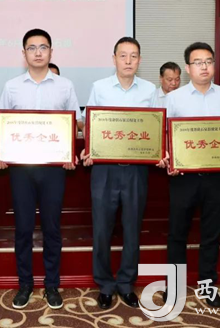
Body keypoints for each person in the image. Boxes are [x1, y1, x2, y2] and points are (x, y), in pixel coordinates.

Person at [160, 42, 220, 308]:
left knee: (211, 233)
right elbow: (165, 135)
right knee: (177, 234)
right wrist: (168, 157)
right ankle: (174, 286)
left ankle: (208, 285)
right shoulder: (174, 98)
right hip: (183, 177)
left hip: (217, 177)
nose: (204, 67)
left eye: (209, 61)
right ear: (188, 68)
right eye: (198, 62)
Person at [0, 28, 81, 310]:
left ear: (51, 52)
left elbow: (75, 122)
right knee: (23, 228)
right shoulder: (12, 86)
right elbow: (3, 122)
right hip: (21, 169)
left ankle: (52, 285)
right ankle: (25, 284)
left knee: (52, 228)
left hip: (54, 169)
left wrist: (69, 151)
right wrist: (1, 153)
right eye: (32, 48)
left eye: (43, 47)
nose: (38, 53)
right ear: (24, 54)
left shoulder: (65, 86)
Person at [80, 37, 155, 309]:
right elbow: (89, 124)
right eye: (123, 56)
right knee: (102, 229)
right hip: (104, 169)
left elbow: (156, 127)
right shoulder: (99, 87)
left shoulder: (149, 89)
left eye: (133, 56)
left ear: (140, 60)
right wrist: (89, 148)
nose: (128, 61)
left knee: (132, 229)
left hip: (136, 170)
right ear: (114, 59)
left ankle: (125, 283)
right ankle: (105, 284)